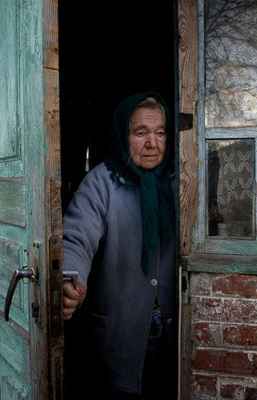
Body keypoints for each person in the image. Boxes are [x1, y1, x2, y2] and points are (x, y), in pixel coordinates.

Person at [62, 92, 177, 399]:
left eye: (161, 132)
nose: (153, 143)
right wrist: (70, 280)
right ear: (122, 135)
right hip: (119, 341)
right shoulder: (102, 183)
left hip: (174, 343)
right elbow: (76, 236)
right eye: (141, 133)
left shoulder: (181, 181)